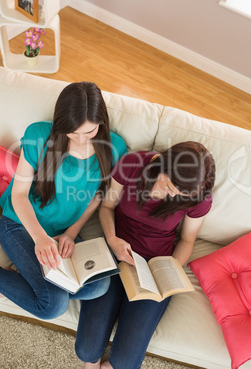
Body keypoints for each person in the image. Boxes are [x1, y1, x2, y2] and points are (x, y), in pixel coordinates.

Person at [75, 141, 216, 369]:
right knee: (86, 351)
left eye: (179, 195)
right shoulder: (132, 165)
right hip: (114, 255)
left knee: (126, 363)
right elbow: (107, 207)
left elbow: (187, 240)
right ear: (163, 166)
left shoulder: (197, 195)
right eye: (170, 187)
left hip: (152, 268)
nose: (172, 196)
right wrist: (112, 240)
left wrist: (169, 270)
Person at [0, 82, 127, 320]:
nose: (80, 139)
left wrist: (71, 232)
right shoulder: (38, 135)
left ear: (101, 123)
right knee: (52, 306)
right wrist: (39, 239)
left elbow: (97, 196)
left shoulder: (114, 147)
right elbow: (18, 195)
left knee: (98, 286)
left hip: (61, 233)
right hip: (20, 224)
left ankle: (23, 281)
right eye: (72, 132)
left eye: (89, 132)